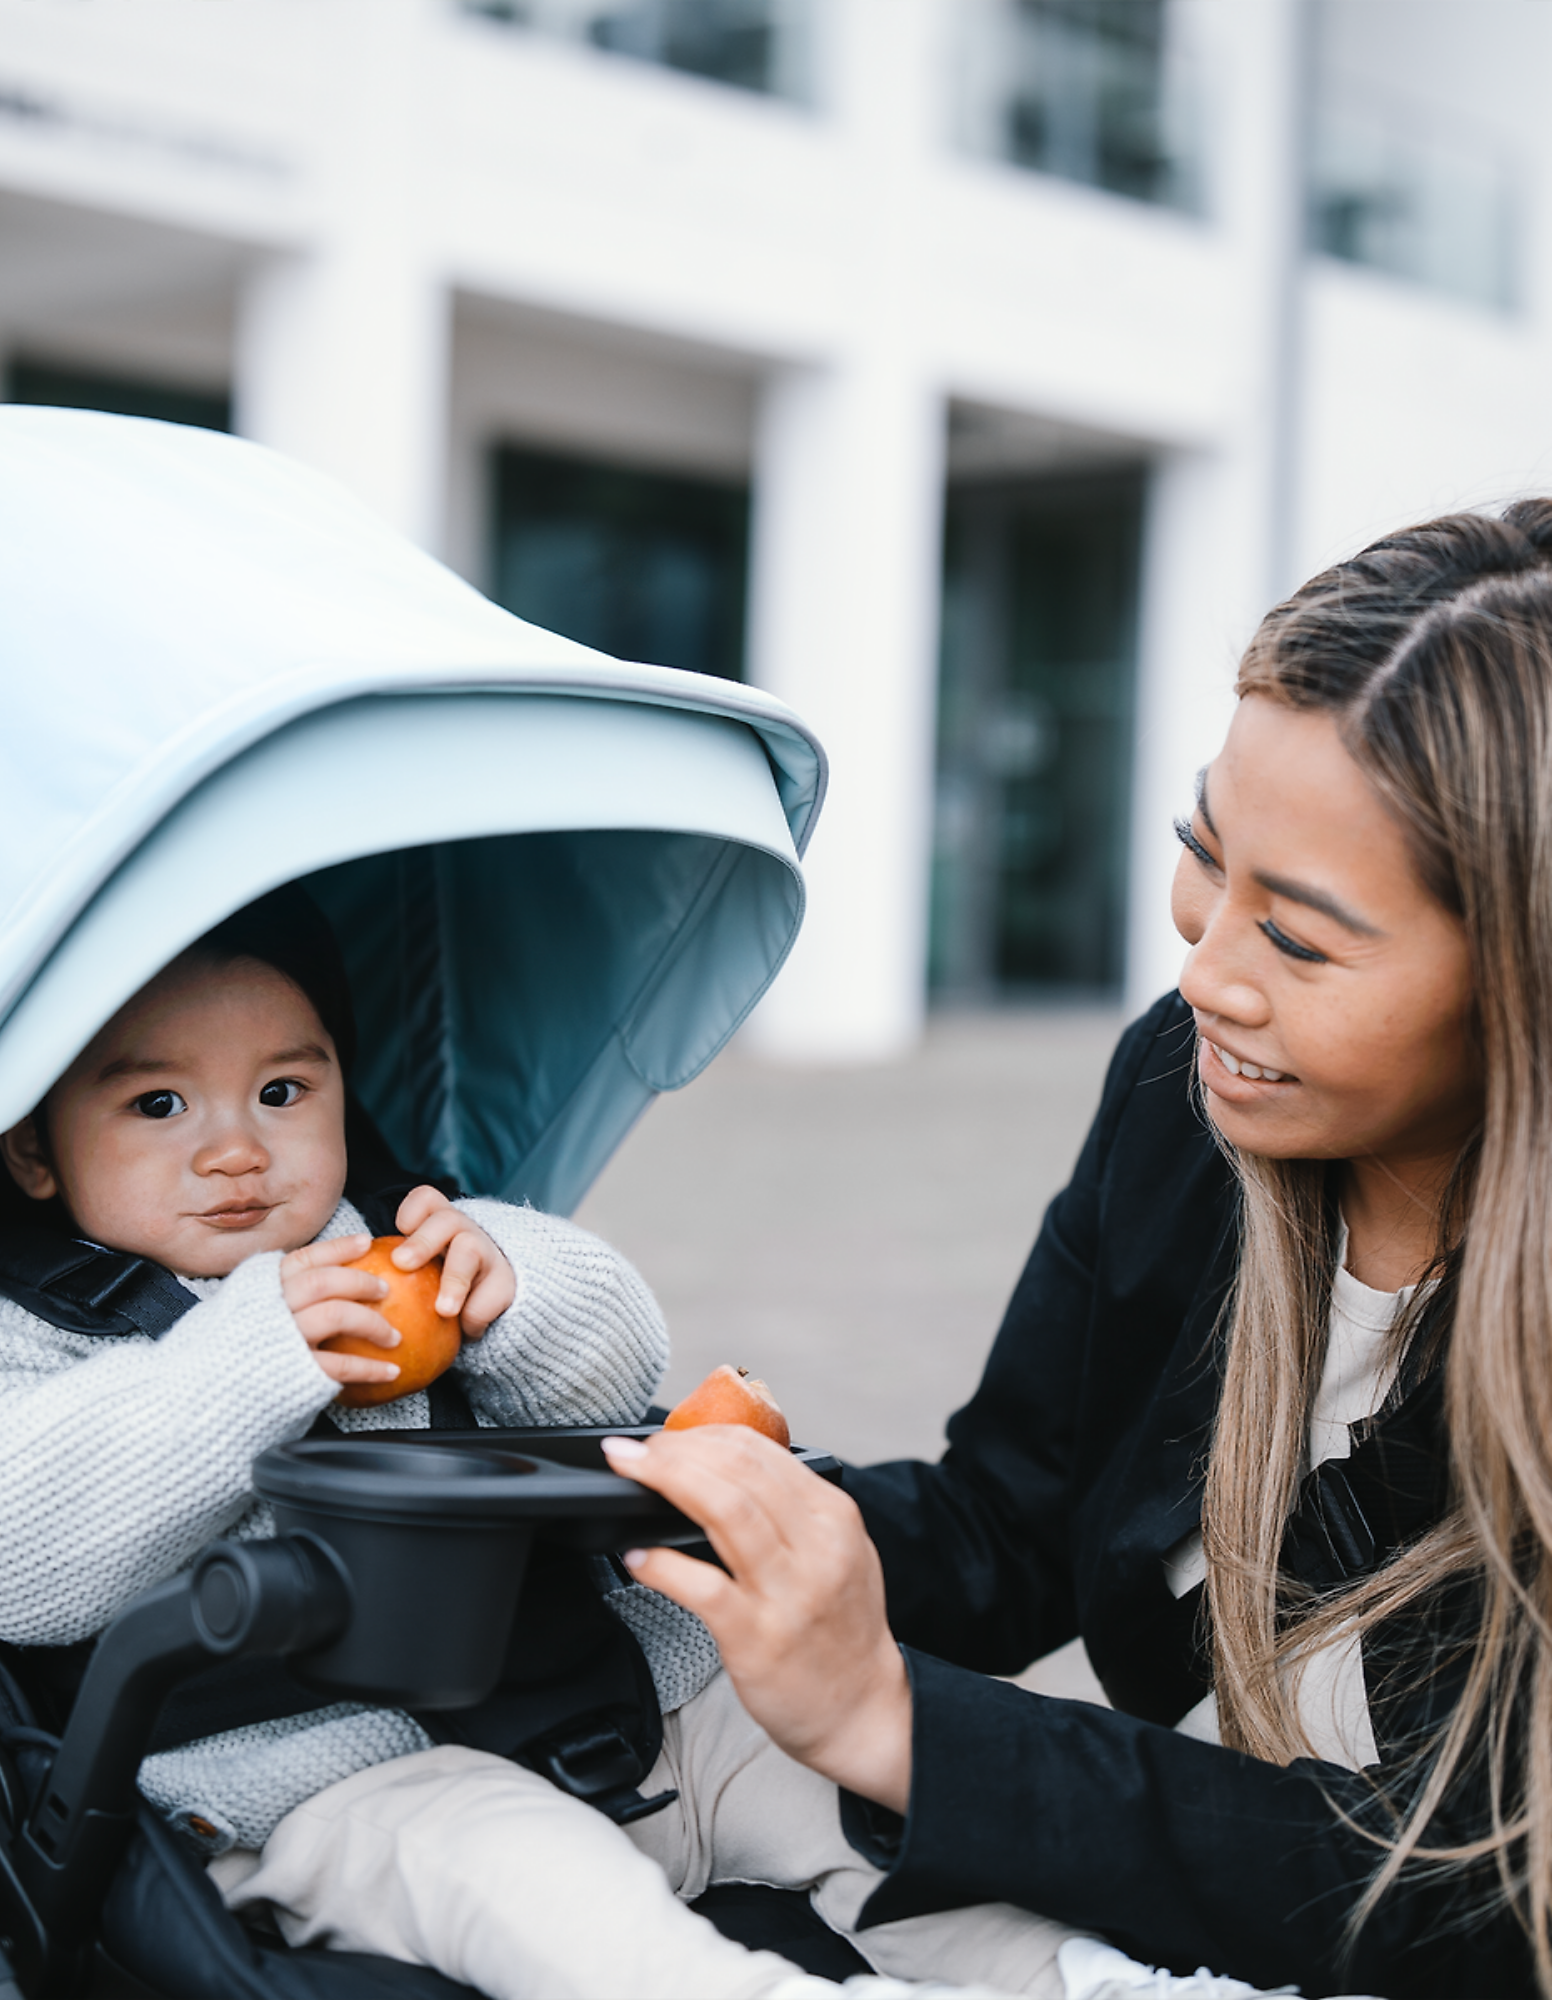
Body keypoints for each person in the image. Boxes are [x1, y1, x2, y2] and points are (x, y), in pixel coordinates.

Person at [604, 499, 1552, 2000]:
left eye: (1298, 938)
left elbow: (1474, 1904)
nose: (1203, 968)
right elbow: (1016, 1525)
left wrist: (897, 1724)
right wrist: (644, 1504)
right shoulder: (1185, 1101)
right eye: (1202, 852)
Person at [0, 887, 1103, 2000]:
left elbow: (618, 1362)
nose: (236, 1149)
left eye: (284, 1091)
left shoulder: (406, 1237)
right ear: (34, 1150)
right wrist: (250, 1361)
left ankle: (1082, 1978)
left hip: (628, 1693)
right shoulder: (16, 1334)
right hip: (329, 1777)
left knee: (850, 1796)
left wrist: (513, 1289)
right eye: (158, 1105)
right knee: (537, 1892)